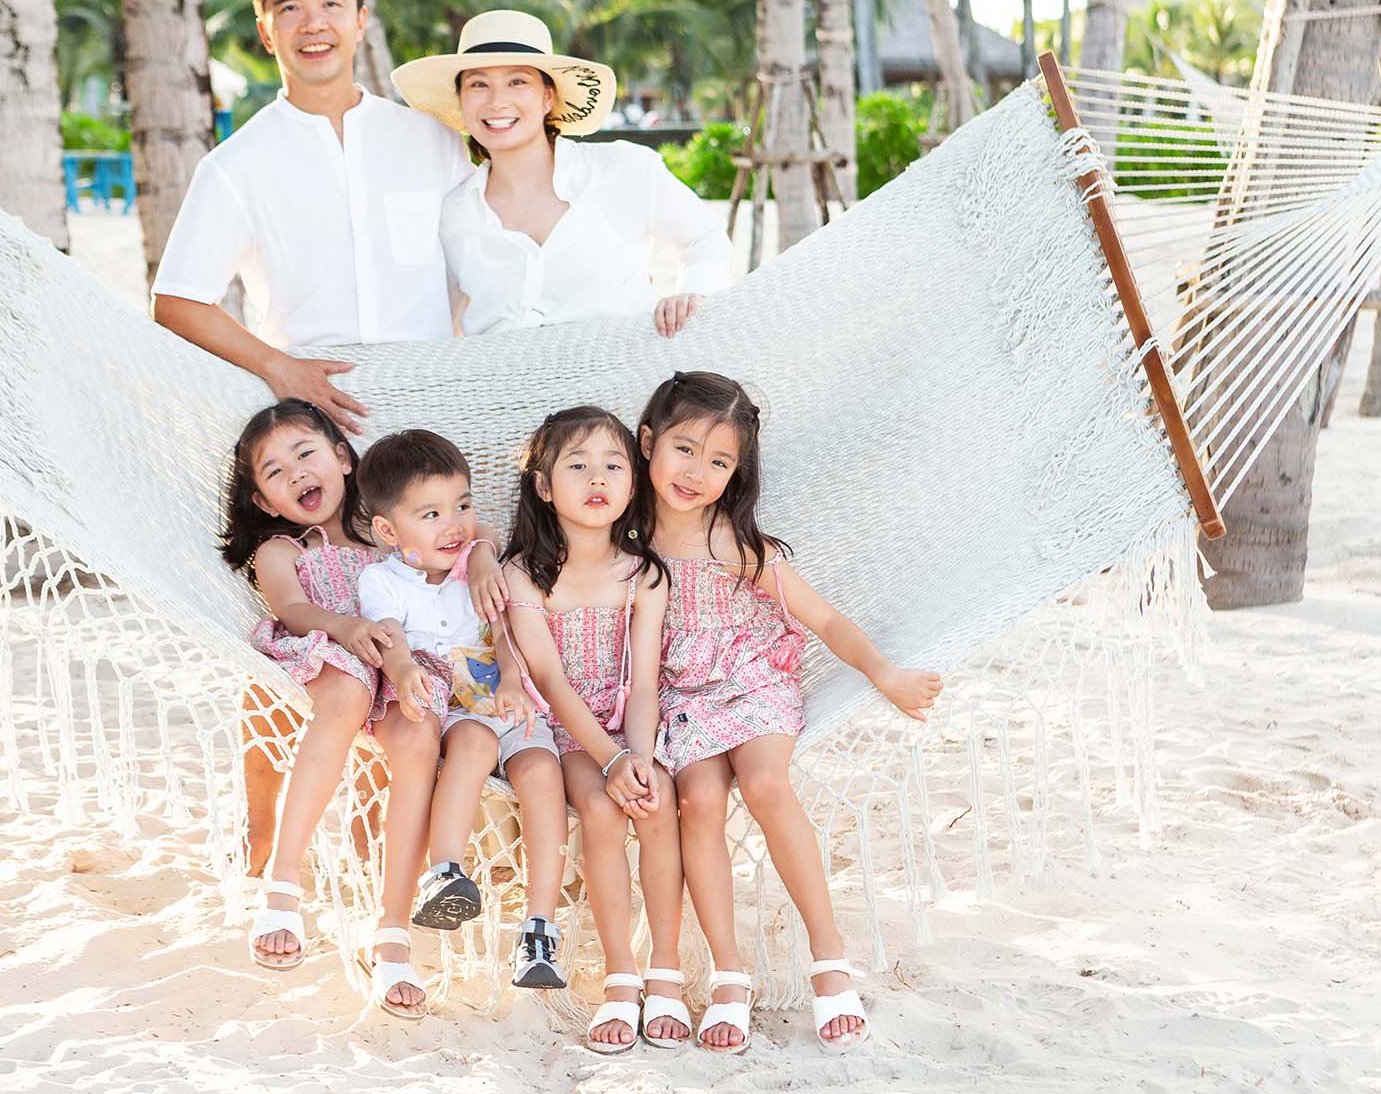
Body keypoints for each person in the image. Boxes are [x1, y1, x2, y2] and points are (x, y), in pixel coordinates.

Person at [636, 371, 946, 1054]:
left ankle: (829, 961)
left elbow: (825, 620)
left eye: (720, 462)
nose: (698, 471)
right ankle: (728, 975)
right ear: (648, 441)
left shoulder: (737, 545)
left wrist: (882, 672)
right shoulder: (624, 538)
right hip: (681, 699)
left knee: (767, 784)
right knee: (698, 804)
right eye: (685, 449)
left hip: (753, 683)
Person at [152, 0, 471, 434]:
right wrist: (278, 366)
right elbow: (177, 301)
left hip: (437, 408)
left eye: (331, 3)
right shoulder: (235, 164)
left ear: (361, 19)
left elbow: (479, 266)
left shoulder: (434, 139)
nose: (313, 23)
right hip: (312, 424)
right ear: (266, 31)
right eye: (290, 7)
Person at [218, 400, 471, 1018]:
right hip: (331, 651)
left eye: (306, 454)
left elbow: (473, 536)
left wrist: (484, 557)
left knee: (417, 737)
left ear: (342, 457)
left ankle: (391, 933)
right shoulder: (283, 548)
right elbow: (291, 609)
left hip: (403, 662)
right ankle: (283, 885)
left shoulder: (390, 527)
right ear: (264, 503)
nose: (297, 473)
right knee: (347, 690)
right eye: (275, 472)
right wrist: (346, 627)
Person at [500, 406, 691, 1053]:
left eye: (613, 465)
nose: (597, 478)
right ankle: (619, 975)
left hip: (626, 727)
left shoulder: (644, 572)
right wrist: (609, 763)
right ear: (544, 486)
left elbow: (641, 683)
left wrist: (638, 759)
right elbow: (550, 681)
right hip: (560, 734)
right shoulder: (524, 573)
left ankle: (663, 968)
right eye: (576, 466)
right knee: (604, 814)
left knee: (657, 801)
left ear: (633, 482)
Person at [355, 430, 572, 993]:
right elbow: (392, 640)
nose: (454, 523)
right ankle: (444, 872)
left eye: (463, 506)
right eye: (431, 513)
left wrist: (510, 679)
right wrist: (403, 674)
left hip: (507, 694)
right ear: (387, 531)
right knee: (472, 746)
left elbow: (501, 631)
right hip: (455, 704)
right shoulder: (381, 580)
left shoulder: (476, 565)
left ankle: (539, 927)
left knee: (543, 772)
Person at [390, 9, 730, 339]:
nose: (497, 101)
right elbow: (434, 321)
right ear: (461, 101)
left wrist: (692, 295)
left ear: (547, 96)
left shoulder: (624, 168)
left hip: (625, 390)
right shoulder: (452, 213)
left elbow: (706, 239)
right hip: (504, 394)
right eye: (478, 85)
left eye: (517, 81)